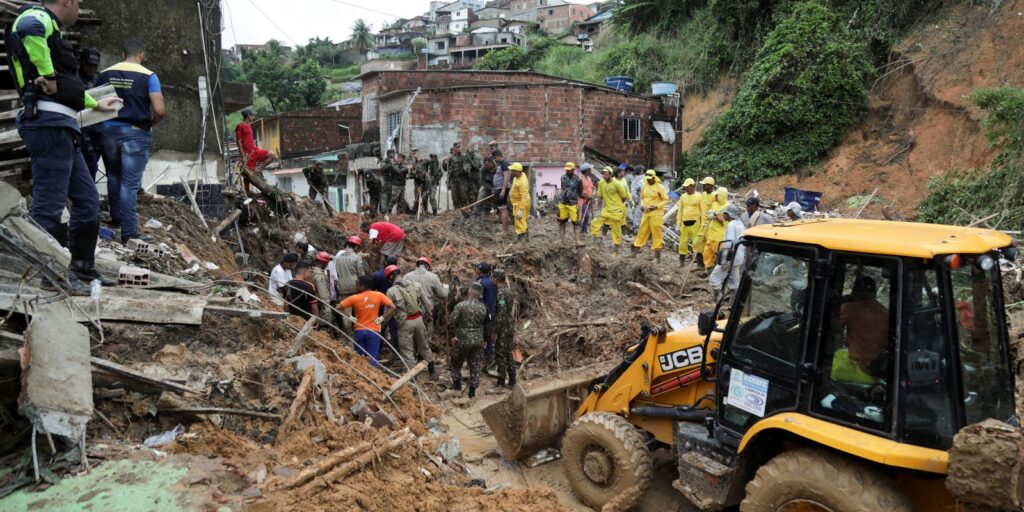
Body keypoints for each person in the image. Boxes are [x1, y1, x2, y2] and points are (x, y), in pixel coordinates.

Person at [7, 0, 122, 293]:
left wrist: (96, 103)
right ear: (67, 1)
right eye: (78, 3)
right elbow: (28, 29)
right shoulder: (36, 18)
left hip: (63, 127)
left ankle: (82, 268)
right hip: (47, 125)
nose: (80, 9)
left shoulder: (52, 31)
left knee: (87, 201)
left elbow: (68, 90)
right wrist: (50, 75)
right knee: (50, 205)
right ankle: (51, 275)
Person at [385, 265, 436, 376]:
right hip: (418, 319)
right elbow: (427, 303)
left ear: (390, 277)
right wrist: (429, 314)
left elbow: (388, 312)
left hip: (405, 323)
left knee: (407, 350)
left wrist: (382, 324)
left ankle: (413, 379)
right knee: (424, 345)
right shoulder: (415, 285)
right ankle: (432, 371)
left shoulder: (391, 291)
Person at [338, 275, 396, 367]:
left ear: (362, 285)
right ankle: (373, 375)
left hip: (359, 331)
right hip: (374, 331)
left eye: (357, 284)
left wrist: (350, 317)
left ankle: (361, 375)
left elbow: (338, 307)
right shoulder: (379, 295)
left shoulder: (354, 298)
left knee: (359, 357)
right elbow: (392, 307)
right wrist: (382, 318)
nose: (355, 286)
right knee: (372, 357)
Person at [839, 275, 889, 376]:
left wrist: (840, 303)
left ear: (854, 292)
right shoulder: (885, 313)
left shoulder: (849, 309)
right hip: (876, 368)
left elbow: (830, 328)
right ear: (874, 294)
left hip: (857, 368)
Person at [449, 281, 489, 397]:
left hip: (461, 340)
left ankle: (457, 385)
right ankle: (472, 392)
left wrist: (453, 336)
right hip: (478, 340)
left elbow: (452, 322)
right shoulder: (483, 308)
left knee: (455, 363)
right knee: (475, 366)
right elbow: (487, 326)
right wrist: (484, 340)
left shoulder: (461, 306)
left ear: (469, 292)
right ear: (480, 294)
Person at [708, 205, 746, 301]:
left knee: (714, 279)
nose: (723, 215)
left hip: (730, 257)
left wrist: (725, 260)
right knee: (734, 282)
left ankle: (718, 299)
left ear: (729, 214)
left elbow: (730, 243)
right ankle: (733, 302)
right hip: (739, 257)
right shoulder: (740, 224)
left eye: (725, 213)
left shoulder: (731, 225)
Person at [401, 257, 448, 332]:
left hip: (410, 308)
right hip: (426, 309)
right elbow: (443, 294)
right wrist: (446, 288)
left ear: (418, 265)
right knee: (425, 332)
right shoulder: (433, 277)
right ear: (427, 266)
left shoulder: (407, 276)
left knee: (411, 333)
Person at [235, 108, 277, 192]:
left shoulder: (249, 125)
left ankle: (259, 170)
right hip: (247, 154)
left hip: (255, 151)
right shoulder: (240, 126)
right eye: (252, 115)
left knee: (272, 155)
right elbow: (238, 142)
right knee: (247, 175)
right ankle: (247, 193)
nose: (253, 116)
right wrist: (243, 156)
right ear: (248, 116)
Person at [590, 167, 630, 249]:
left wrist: (618, 206)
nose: (604, 176)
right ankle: (596, 242)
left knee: (616, 229)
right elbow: (600, 196)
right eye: (603, 174)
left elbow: (624, 196)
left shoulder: (616, 184)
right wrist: (599, 209)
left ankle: (616, 247)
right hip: (607, 209)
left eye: (606, 174)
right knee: (594, 223)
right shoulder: (601, 183)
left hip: (616, 210)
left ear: (611, 175)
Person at [632, 170, 669, 260]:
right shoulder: (644, 186)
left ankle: (657, 257)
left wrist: (656, 206)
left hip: (656, 214)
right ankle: (634, 253)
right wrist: (642, 206)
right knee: (641, 232)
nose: (648, 180)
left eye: (650, 179)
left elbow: (666, 199)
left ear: (654, 177)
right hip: (646, 213)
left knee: (656, 234)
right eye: (647, 179)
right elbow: (642, 198)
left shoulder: (659, 187)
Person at [78, 47, 103, 180]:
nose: (92, 69)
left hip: (98, 126)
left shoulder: (100, 78)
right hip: (81, 127)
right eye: (89, 65)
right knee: (89, 163)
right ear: (82, 62)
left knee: (93, 162)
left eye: (95, 65)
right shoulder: (74, 77)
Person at [492, 268, 517, 387]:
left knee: (500, 354)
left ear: (496, 279)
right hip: (509, 326)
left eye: (493, 277)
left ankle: (501, 381)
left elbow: (501, 314)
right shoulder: (509, 291)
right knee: (508, 353)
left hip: (503, 328)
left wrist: (495, 332)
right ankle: (512, 379)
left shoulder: (501, 293)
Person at [331, 235, 369, 304]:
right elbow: (361, 275)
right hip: (353, 287)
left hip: (341, 287)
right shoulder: (356, 257)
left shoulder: (338, 258)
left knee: (344, 309)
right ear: (356, 247)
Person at [675, 178, 704, 266]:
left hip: (695, 223)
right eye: (685, 187)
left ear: (692, 186)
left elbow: (702, 210)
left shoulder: (699, 196)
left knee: (696, 243)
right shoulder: (683, 196)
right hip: (684, 223)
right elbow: (680, 210)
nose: (686, 188)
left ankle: (699, 264)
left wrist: (703, 223)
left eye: (687, 187)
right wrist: (678, 223)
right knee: (683, 243)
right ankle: (681, 262)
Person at [702, 187, 730, 274]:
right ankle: (710, 274)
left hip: (719, 237)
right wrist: (711, 215)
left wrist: (715, 215)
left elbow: (724, 222)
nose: (715, 197)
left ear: (722, 196)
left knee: (719, 258)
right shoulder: (714, 204)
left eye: (717, 195)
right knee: (706, 255)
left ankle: (717, 277)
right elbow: (711, 215)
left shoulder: (728, 206)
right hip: (710, 235)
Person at [694, 176, 717, 267]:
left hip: (710, 226)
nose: (702, 186)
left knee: (710, 247)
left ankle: (709, 265)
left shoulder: (715, 196)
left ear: (710, 185)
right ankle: (700, 264)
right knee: (697, 243)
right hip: (703, 225)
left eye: (704, 185)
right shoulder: (703, 195)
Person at [557, 162, 582, 244]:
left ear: (573, 170)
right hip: (563, 202)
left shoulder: (578, 179)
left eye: (569, 170)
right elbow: (563, 188)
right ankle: (561, 240)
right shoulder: (562, 177)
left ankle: (577, 240)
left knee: (575, 222)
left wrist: (585, 198)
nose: (567, 171)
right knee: (562, 221)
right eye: (566, 170)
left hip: (573, 204)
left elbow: (580, 192)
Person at [478, 262, 497, 360]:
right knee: (488, 335)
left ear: (479, 270)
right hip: (492, 312)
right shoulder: (492, 282)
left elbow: (480, 301)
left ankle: (484, 358)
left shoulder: (481, 283)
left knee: (482, 336)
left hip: (484, 313)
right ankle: (489, 356)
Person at [310, 252, 334, 329]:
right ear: (323, 263)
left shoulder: (310, 272)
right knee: (323, 329)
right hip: (321, 307)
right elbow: (324, 296)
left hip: (313, 303)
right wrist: (327, 311)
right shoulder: (320, 276)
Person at [508, 163, 530, 241]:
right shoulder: (518, 176)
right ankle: (525, 237)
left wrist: (521, 209)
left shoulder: (523, 182)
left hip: (521, 203)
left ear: (517, 171)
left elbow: (524, 197)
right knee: (521, 221)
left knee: (520, 221)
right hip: (516, 203)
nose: (511, 172)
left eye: (512, 171)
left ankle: (522, 239)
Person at [382, 149, 409, 215]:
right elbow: (398, 170)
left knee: (401, 200)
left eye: (402, 158)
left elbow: (405, 172)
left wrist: (406, 169)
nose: (394, 155)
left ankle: (400, 213)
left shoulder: (399, 164)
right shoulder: (391, 163)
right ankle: (388, 212)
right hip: (393, 183)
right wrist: (405, 168)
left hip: (401, 184)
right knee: (392, 198)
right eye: (400, 157)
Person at [492, 150, 511, 237]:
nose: (495, 159)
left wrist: (503, 190)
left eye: (495, 157)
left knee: (503, 209)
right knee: (502, 209)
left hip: (502, 189)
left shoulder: (504, 163)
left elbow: (506, 177)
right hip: (498, 189)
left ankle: (505, 232)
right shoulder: (500, 164)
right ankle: (504, 230)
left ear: (499, 155)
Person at [446, 142, 472, 208]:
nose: (459, 148)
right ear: (454, 148)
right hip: (453, 180)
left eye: (460, 147)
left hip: (462, 180)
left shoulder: (464, 156)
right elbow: (446, 169)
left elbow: (468, 168)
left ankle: (466, 211)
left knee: (464, 197)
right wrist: (445, 161)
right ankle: (457, 212)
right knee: (455, 198)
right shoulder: (451, 158)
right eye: (457, 147)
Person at [410, 149, 431, 215]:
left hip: (425, 183)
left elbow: (432, 163)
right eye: (413, 154)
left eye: (415, 153)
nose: (414, 155)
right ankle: (415, 213)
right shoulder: (413, 164)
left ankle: (425, 212)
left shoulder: (425, 161)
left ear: (418, 153)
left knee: (424, 199)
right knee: (417, 199)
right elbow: (412, 175)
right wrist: (410, 173)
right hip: (417, 184)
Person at [578, 163, 596, 234]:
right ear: (586, 170)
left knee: (587, 216)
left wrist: (593, 192)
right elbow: (580, 193)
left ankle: (584, 229)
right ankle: (583, 230)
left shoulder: (589, 178)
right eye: (590, 169)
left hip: (589, 200)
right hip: (582, 200)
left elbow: (592, 187)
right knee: (585, 215)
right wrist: (588, 197)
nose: (591, 170)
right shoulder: (580, 179)